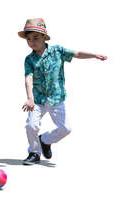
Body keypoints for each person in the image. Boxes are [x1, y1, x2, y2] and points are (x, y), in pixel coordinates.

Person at [18, 18, 107, 165]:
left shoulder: (57, 51)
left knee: (66, 128)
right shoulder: (29, 60)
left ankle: (44, 140)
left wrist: (93, 55)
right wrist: (30, 98)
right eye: (28, 39)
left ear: (44, 37)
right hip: (38, 99)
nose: (32, 42)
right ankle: (34, 152)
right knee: (31, 125)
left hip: (56, 98)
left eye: (35, 38)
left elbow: (76, 53)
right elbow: (28, 78)